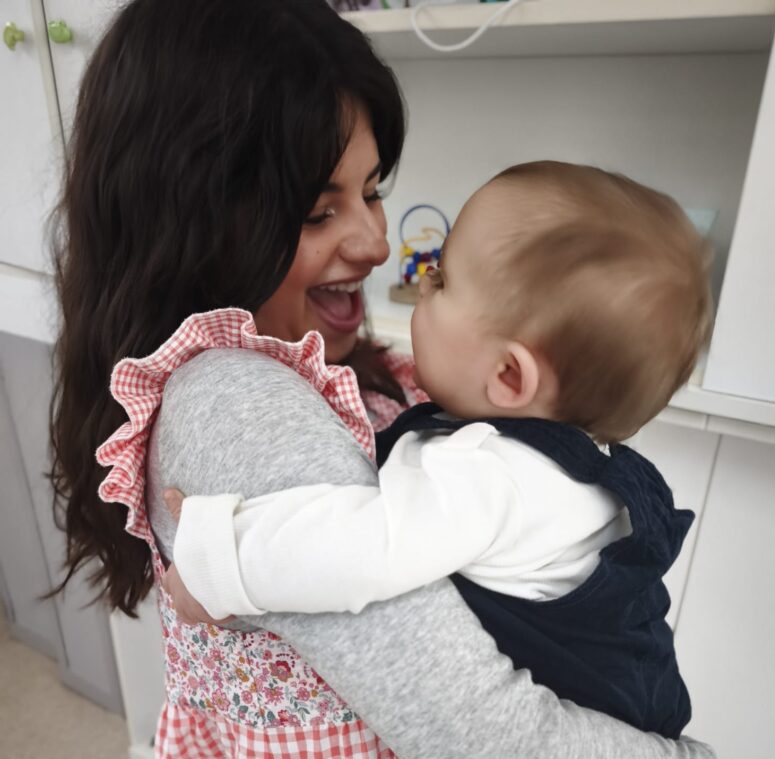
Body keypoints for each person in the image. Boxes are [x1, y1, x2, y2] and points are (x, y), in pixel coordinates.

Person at [48, 0, 716, 754]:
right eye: (317, 211)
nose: (375, 242)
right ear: (187, 220)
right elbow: (490, 734)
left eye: (371, 191)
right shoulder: (234, 399)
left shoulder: (366, 375)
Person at [163, 161, 711, 740]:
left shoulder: (488, 473)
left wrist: (218, 562)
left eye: (443, 280)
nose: (422, 280)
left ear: (508, 375)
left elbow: (358, 549)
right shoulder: (567, 462)